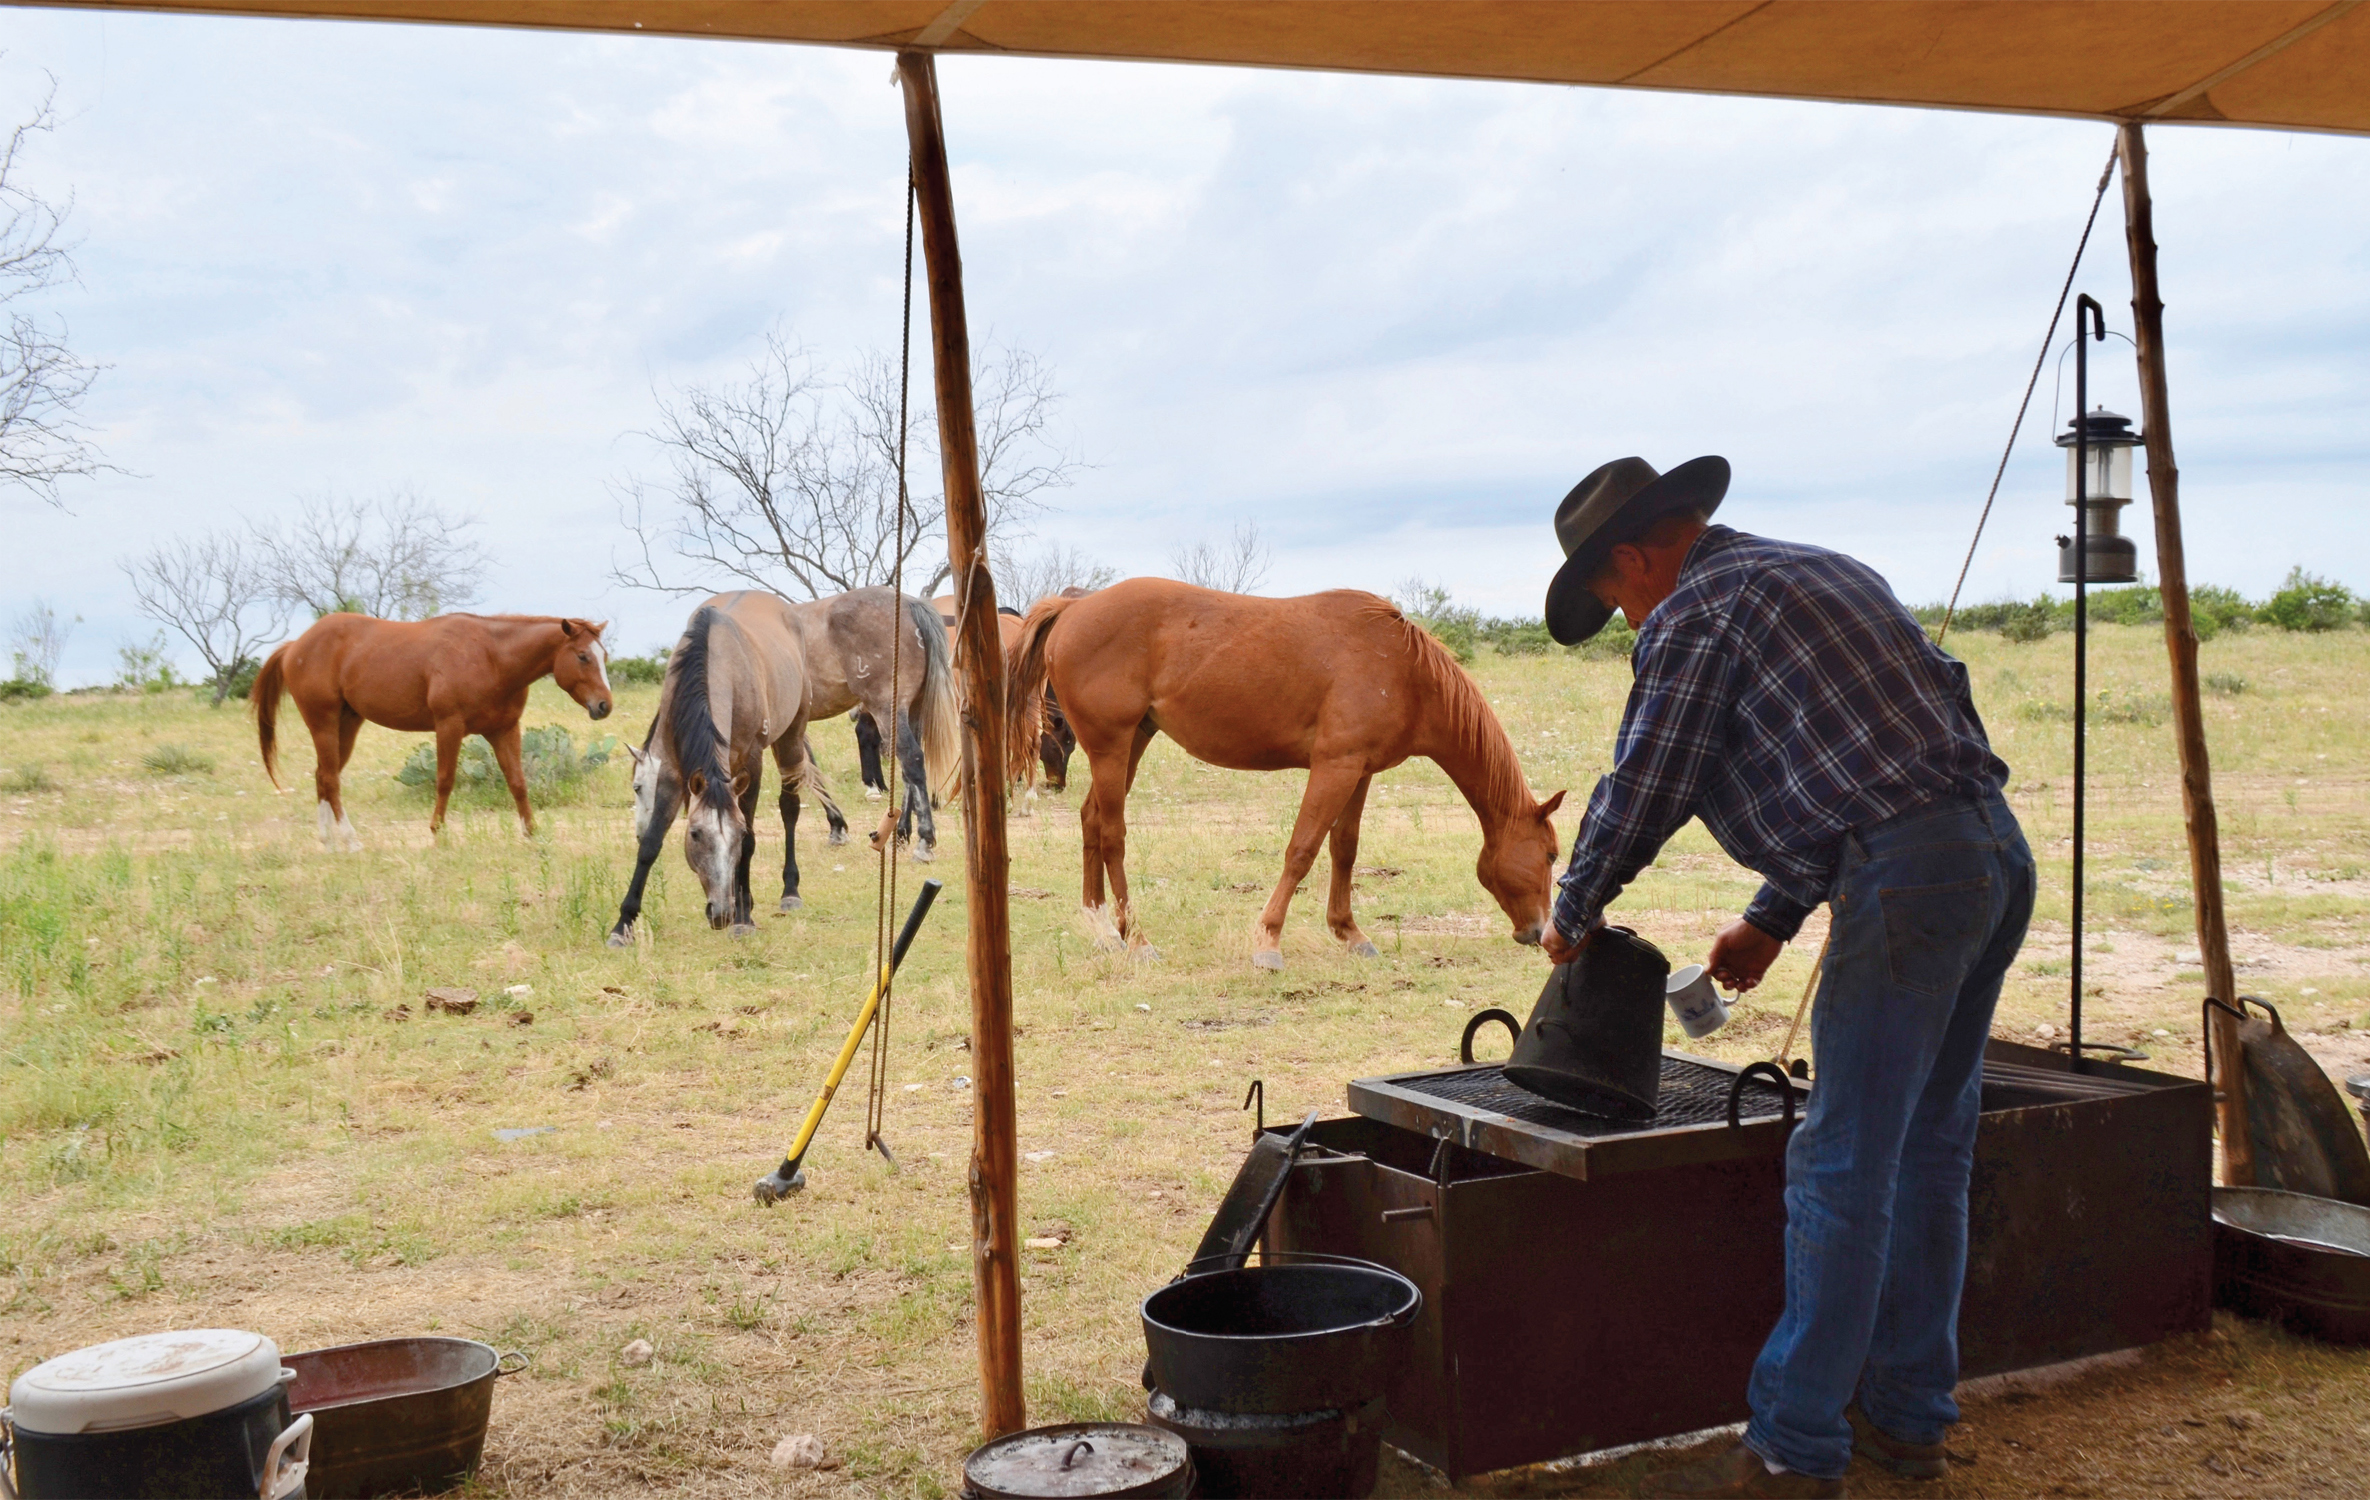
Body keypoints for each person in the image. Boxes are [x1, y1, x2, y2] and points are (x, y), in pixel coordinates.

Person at [1537, 456, 2035, 1499]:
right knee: (1930, 1153)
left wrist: (1572, 909)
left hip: (1908, 875)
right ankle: (1907, 1422)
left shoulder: (1694, 608)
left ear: (1635, 554)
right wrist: (1773, 915)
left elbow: (1650, 778)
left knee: (1840, 1165)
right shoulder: (1823, 569)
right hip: (1991, 855)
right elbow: (1894, 744)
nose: (1631, 619)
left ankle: (1792, 1449)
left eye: (1618, 597)